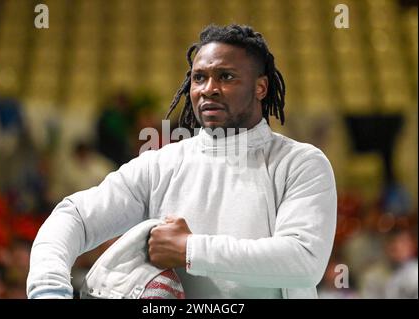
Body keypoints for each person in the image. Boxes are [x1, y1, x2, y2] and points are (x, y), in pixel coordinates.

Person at [27, 24, 337, 299]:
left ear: (261, 87)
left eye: (226, 76)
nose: (209, 89)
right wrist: (48, 287)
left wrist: (189, 249)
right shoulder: (160, 164)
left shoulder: (300, 164)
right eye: (199, 78)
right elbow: (74, 217)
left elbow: (304, 260)